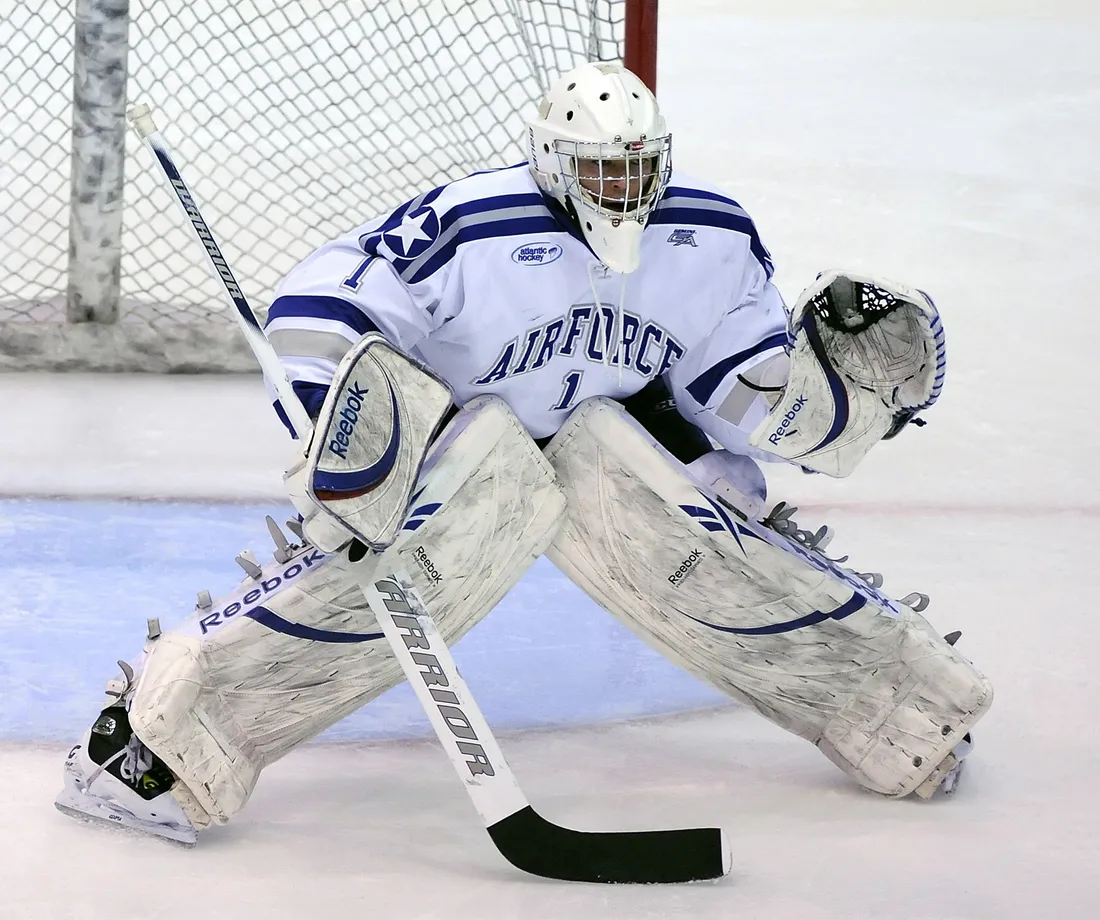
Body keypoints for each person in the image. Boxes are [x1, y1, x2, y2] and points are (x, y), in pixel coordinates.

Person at [55, 62, 991, 847]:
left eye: (638, 170)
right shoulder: (474, 226)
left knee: (718, 531)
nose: (622, 191)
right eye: (600, 170)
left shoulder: (709, 234)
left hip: (627, 436)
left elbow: (735, 388)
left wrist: (831, 404)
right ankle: (149, 749)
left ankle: (894, 707)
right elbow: (329, 295)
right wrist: (339, 418)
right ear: (551, 159)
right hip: (463, 443)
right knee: (378, 554)